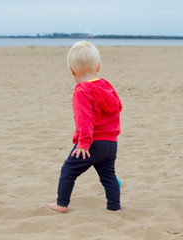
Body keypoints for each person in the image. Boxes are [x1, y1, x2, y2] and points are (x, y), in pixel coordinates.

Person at [47, 41, 122, 213]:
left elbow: (84, 119)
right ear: (99, 66)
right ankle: (114, 207)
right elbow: (117, 109)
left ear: (71, 70)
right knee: (108, 176)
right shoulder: (106, 85)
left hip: (92, 143)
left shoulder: (82, 90)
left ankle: (61, 204)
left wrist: (83, 143)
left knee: (68, 170)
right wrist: (112, 135)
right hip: (111, 143)